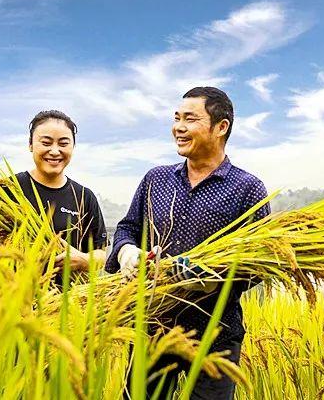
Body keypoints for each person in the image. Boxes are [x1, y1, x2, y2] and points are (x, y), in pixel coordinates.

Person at [105, 87, 270, 399]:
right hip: (153, 326)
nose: (178, 127)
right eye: (176, 118)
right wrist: (128, 253)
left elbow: (258, 263)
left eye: (190, 119)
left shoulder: (247, 188)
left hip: (215, 334)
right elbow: (126, 228)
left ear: (221, 127)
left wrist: (211, 280)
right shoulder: (156, 179)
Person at [14, 110, 108, 276]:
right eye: (46, 143)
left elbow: (101, 253)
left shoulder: (84, 197)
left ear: (73, 147)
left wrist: (84, 260)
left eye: (63, 144)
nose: (55, 151)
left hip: (68, 299)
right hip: (9, 297)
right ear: (30, 145)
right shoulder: (9, 189)